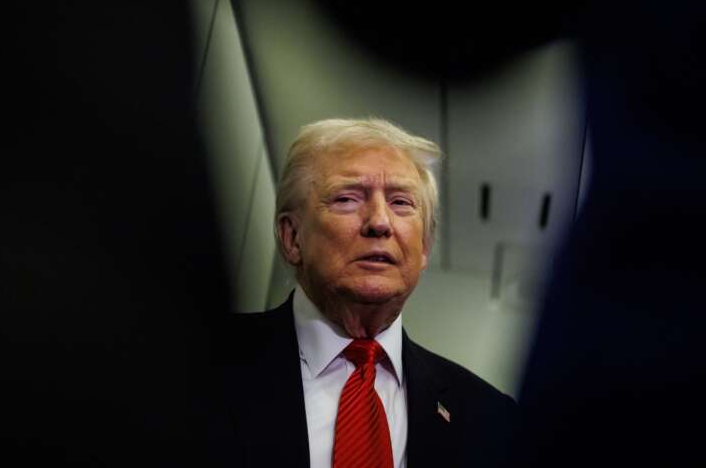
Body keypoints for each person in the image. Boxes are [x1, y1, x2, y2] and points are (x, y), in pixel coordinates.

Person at [207, 118, 519, 468]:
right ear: (292, 237)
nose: (380, 222)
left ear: (425, 248)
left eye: (401, 202)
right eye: (347, 198)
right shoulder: (193, 362)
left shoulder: (490, 418)